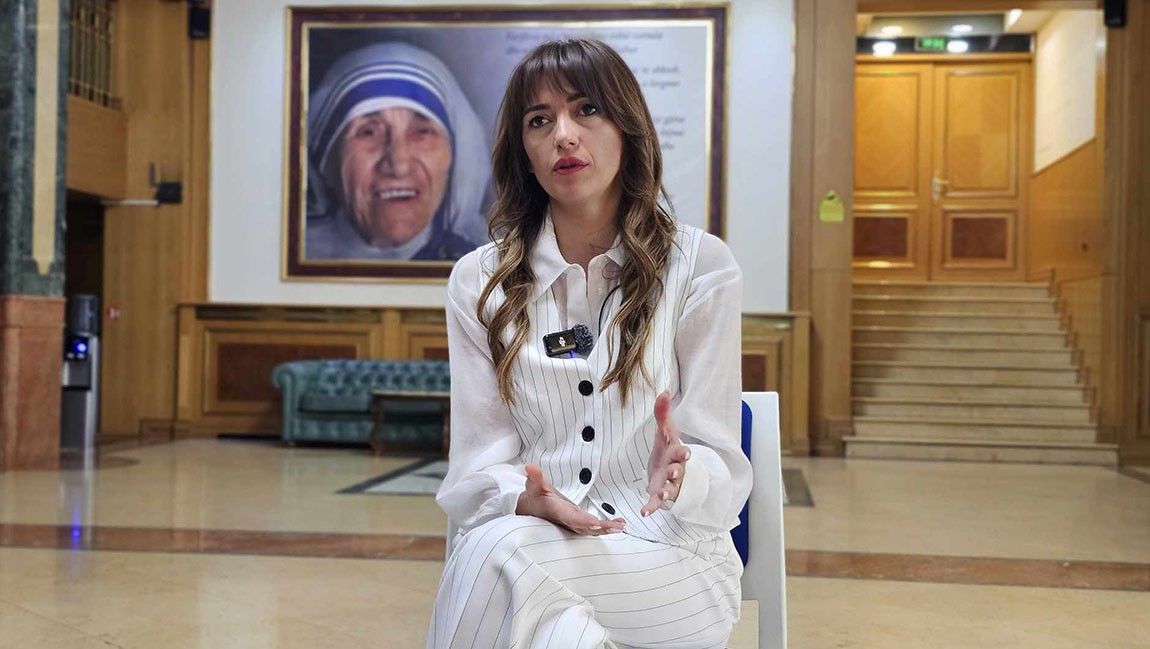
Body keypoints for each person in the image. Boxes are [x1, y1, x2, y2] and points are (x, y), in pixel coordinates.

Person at [428, 39, 752, 648]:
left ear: (628, 128)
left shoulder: (700, 266)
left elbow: (722, 462)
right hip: (535, 543)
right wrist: (525, 499)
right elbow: (476, 466)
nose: (564, 135)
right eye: (539, 120)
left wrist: (685, 472)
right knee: (558, 632)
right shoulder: (479, 281)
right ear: (523, 152)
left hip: (674, 562)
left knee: (496, 555)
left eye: (587, 110)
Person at [305, 42, 488, 261]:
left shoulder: (493, 266)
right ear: (326, 161)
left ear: (454, 159)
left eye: (422, 132)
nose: (398, 165)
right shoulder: (283, 255)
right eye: (368, 132)